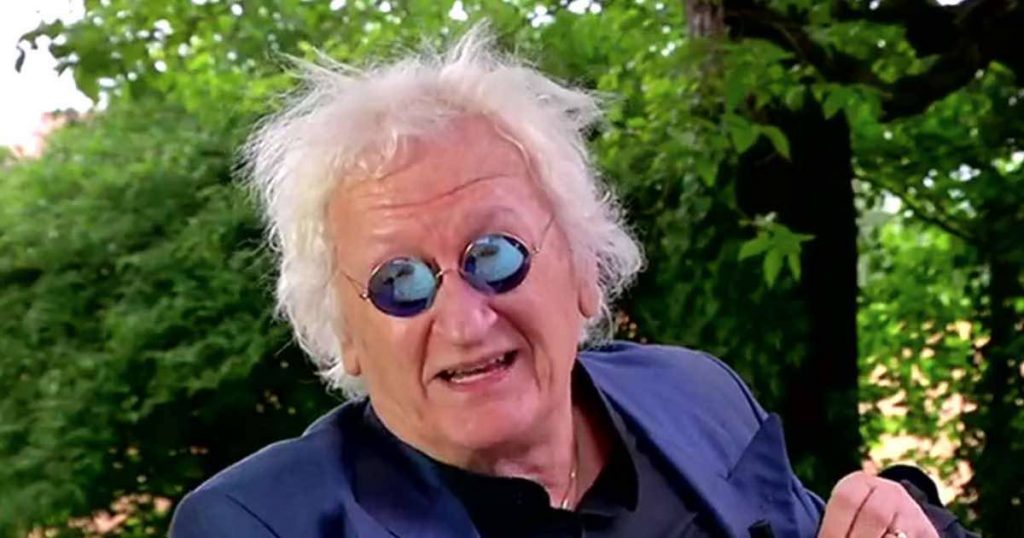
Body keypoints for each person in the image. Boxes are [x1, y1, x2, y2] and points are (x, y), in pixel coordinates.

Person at [169, 26, 975, 538]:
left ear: (584, 269)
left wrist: (906, 519)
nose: (464, 320)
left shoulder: (696, 394)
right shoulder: (262, 524)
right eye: (400, 282)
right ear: (345, 333)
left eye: (494, 256)